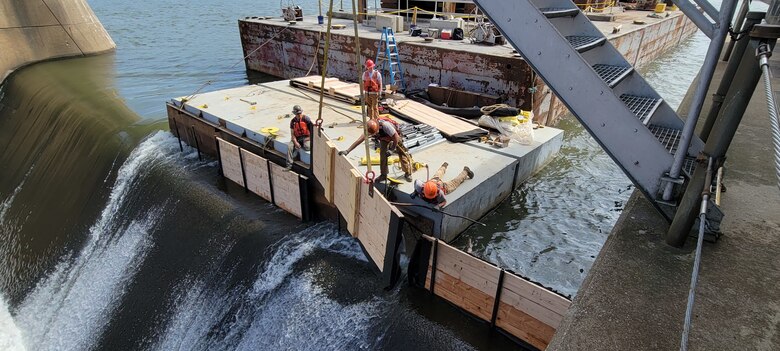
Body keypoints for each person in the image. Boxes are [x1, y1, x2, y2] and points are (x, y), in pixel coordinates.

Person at [338, 118, 413, 182]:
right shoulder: (369, 129)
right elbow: (359, 141)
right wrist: (347, 151)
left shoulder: (386, 126)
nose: (372, 135)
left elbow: (396, 137)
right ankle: (383, 174)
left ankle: (407, 173)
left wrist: (392, 150)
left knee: (402, 153)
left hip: (394, 136)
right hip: (384, 138)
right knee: (383, 154)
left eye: (374, 134)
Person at [286, 105, 313, 169]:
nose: (299, 115)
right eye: (297, 114)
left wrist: (309, 138)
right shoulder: (293, 122)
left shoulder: (306, 119)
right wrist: (295, 142)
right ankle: (289, 164)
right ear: (295, 114)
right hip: (297, 138)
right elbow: (292, 134)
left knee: (308, 147)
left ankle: (301, 145)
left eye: (300, 113)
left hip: (306, 137)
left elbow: (312, 131)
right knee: (290, 147)